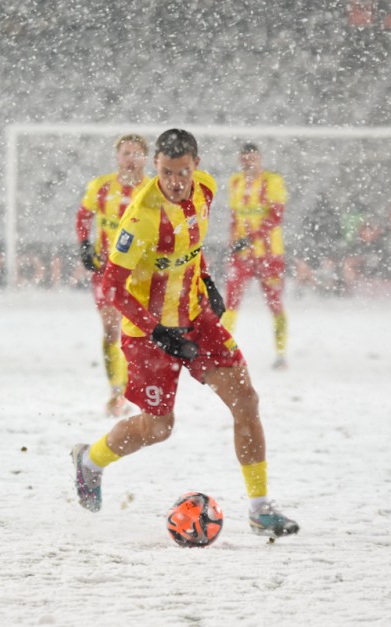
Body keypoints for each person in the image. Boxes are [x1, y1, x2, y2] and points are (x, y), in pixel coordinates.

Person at [71, 129, 299, 539]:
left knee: (246, 400)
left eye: (183, 172)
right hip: (146, 332)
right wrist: (158, 331)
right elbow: (113, 288)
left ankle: (260, 508)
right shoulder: (141, 217)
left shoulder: (207, 188)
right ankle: (90, 460)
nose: (175, 181)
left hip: (195, 316)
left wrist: (206, 280)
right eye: (166, 172)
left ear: (196, 165)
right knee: (158, 429)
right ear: (155, 166)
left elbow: (190, 243)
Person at [75, 134, 149, 416]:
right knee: (111, 328)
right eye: (126, 153)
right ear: (117, 156)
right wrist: (84, 246)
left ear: (145, 158)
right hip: (106, 267)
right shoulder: (102, 186)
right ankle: (117, 392)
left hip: (140, 270)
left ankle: (136, 390)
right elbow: (83, 216)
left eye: (136, 153)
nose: (131, 159)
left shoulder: (152, 190)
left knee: (138, 332)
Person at [221, 143, 290, 369]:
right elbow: (234, 217)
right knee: (230, 302)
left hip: (269, 255)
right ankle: (225, 353)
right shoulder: (235, 182)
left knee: (274, 302)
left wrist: (251, 238)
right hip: (242, 255)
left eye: (252, 158)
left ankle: (281, 354)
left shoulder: (272, 181)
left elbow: (275, 216)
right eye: (244, 159)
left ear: (260, 159)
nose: (248, 162)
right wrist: (233, 243)